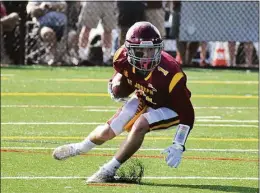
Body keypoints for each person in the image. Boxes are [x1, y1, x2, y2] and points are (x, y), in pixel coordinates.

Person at [52, 21, 195, 183]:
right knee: (107, 132)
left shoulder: (170, 72)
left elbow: (187, 113)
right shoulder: (121, 58)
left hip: (170, 107)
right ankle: (80, 147)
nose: (147, 56)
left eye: (151, 50)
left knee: (141, 124)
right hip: (145, 96)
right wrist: (116, 85)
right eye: (141, 50)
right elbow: (121, 76)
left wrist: (178, 143)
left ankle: (108, 170)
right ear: (129, 50)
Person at [26, 1, 68, 65]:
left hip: (62, 27)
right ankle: (53, 59)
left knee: (72, 35)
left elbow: (64, 5)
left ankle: (71, 60)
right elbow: (31, 11)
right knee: (48, 33)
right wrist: (41, 8)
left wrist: (52, 6)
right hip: (43, 26)